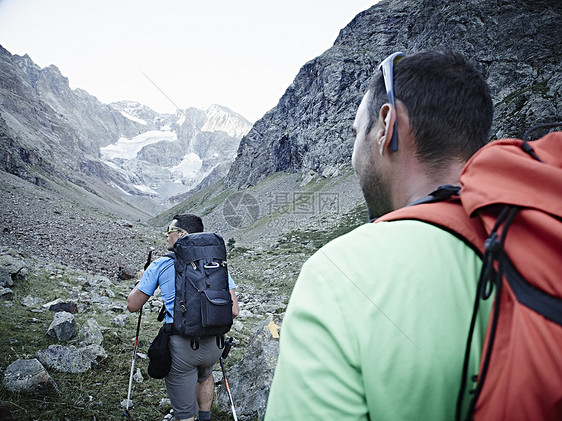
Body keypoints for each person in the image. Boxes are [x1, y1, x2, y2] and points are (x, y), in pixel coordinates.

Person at [264, 49, 494, 420]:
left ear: (386, 126)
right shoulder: (538, 243)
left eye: (357, 134)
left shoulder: (336, 274)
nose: (355, 151)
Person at [127, 213, 240, 421]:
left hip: (182, 348)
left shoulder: (161, 265)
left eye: (170, 231)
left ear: (182, 234)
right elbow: (234, 310)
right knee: (205, 376)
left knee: (185, 414)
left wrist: (140, 280)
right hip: (215, 345)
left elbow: (133, 305)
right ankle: (205, 417)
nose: (166, 235)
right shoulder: (218, 264)